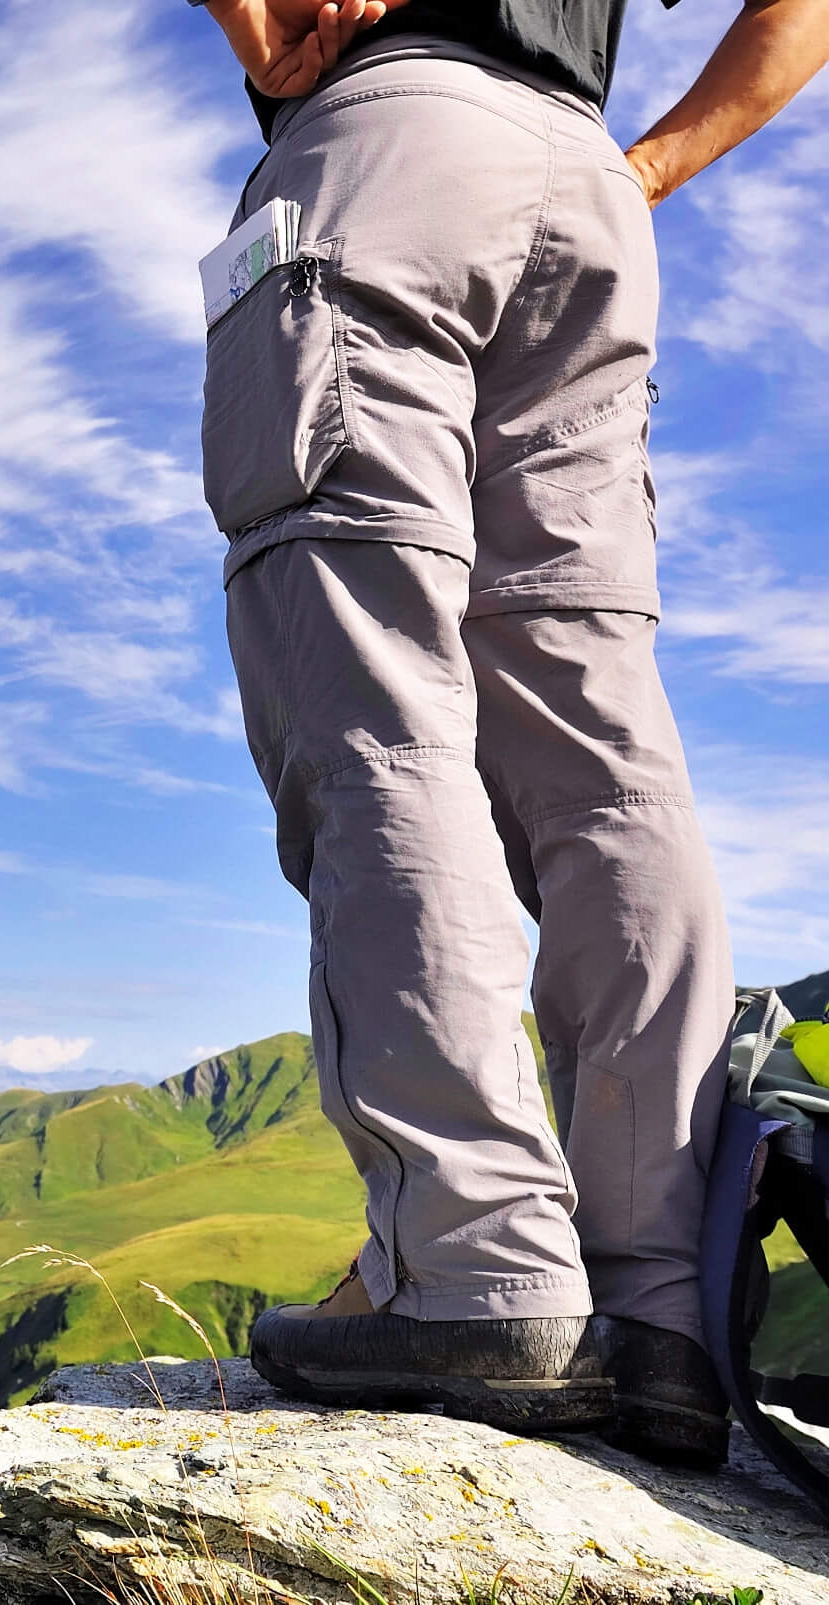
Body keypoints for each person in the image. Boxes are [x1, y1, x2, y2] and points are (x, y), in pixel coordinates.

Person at [189, 0, 829, 1465]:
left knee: (375, 709)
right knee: (601, 742)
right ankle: (657, 1303)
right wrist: (648, 164)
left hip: (386, 147)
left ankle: (477, 1268)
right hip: (586, 187)